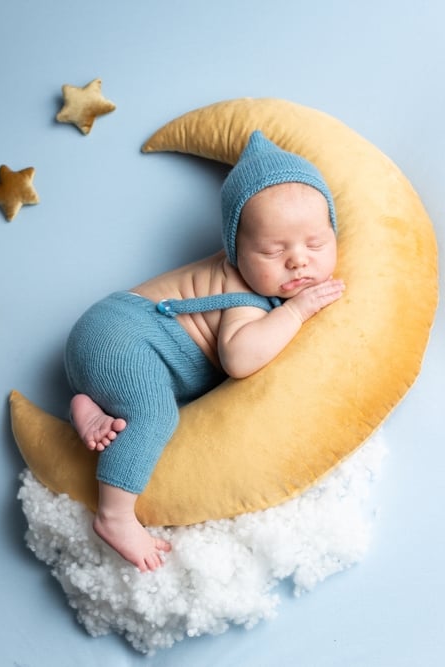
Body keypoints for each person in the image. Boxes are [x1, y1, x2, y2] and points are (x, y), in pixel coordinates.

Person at [64, 131, 346, 572]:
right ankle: (114, 516)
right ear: (235, 251)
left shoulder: (269, 274)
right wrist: (296, 311)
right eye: (272, 250)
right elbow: (240, 358)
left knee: (140, 402)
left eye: (315, 244)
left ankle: (94, 408)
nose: (297, 260)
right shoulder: (242, 290)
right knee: (156, 417)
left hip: (107, 344)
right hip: (122, 335)